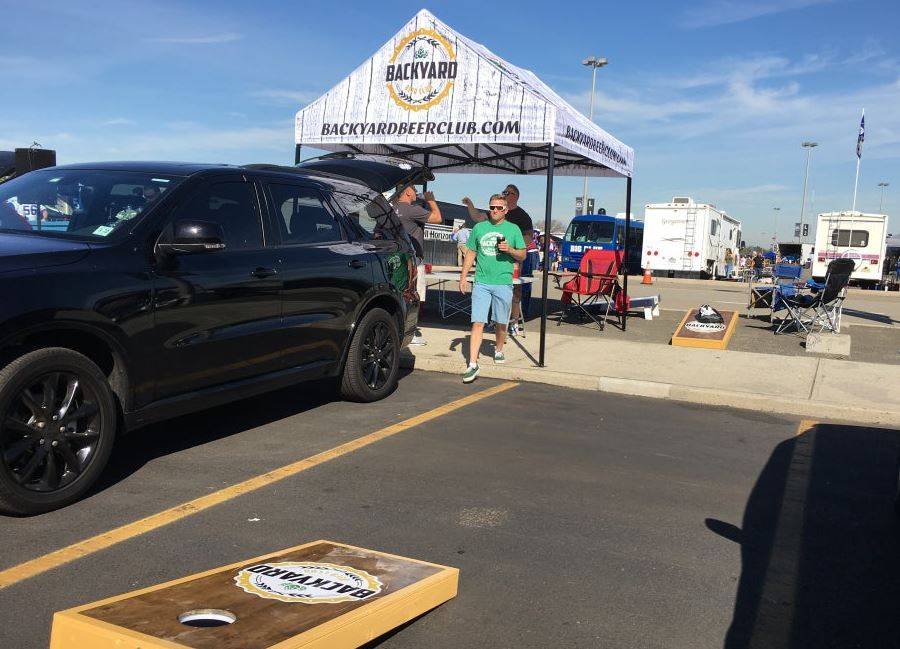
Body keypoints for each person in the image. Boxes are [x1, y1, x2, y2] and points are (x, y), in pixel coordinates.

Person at [459, 194, 526, 383]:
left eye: (499, 208)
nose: (495, 211)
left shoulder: (513, 229)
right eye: (492, 207)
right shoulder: (480, 228)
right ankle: (472, 364)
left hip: (503, 282)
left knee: (500, 322)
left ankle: (498, 349)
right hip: (481, 282)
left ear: (506, 210)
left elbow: (522, 255)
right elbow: (471, 253)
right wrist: (463, 277)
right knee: (478, 322)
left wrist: (510, 250)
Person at [392, 186, 442, 345]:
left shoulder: (390, 210)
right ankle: (408, 334)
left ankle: (395, 329)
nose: (415, 192)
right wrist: (431, 200)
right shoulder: (411, 210)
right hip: (413, 261)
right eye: (413, 189)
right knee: (413, 296)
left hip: (395, 258)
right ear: (407, 192)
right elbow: (437, 218)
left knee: (397, 294)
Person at [501, 185, 533, 332]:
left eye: (507, 192)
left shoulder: (523, 216)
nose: (505, 194)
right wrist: (470, 205)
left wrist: (515, 248)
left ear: (515, 196)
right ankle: (497, 322)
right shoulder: (498, 212)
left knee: (516, 290)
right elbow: (478, 218)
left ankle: (514, 322)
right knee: (497, 290)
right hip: (496, 259)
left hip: (514, 259)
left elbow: (529, 236)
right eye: (504, 192)